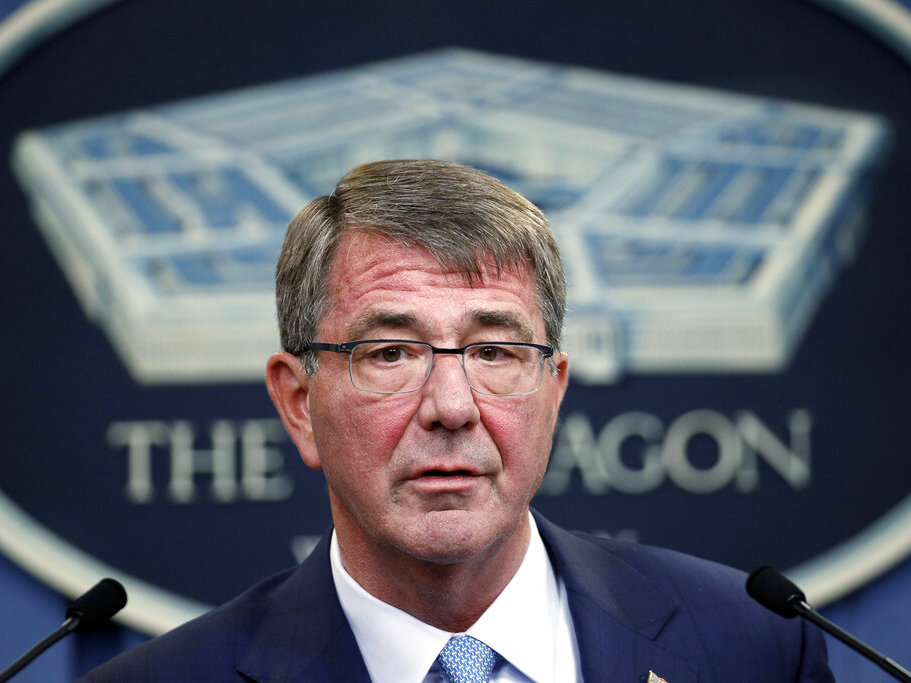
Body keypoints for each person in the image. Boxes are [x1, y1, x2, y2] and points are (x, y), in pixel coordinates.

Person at [79, 160, 833, 682]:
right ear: (299, 403)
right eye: (391, 352)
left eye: (495, 349)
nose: (450, 406)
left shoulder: (752, 644)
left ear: (553, 388)